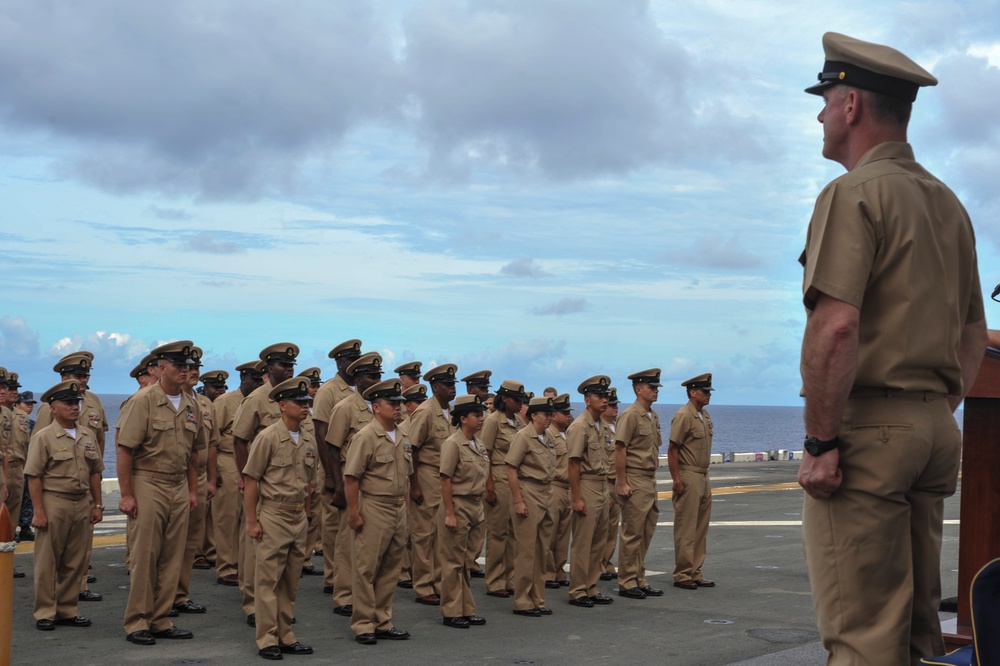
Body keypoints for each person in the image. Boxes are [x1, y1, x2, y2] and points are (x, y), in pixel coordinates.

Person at [797, 33, 987, 665]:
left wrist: (822, 443)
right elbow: (970, 335)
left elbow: (837, 327)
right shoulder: (948, 204)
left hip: (870, 432)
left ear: (851, 105)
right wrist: (935, 408)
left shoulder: (852, 194)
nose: (819, 114)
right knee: (913, 632)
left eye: (825, 99)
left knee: (862, 637)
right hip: (933, 426)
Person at [116, 341, 203, 645]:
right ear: (161, 368)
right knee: (146, 554)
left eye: (188, 367)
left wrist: (192, 490)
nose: (185, 371)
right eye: (179, 366)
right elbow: (125, 449)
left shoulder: (192, 404)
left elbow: (192, 453)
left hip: (178, 483)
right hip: (148, 480)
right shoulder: (145, 401)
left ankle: (160, 618)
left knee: (172, 555)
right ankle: (137, 621)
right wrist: (126, 495)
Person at [242, 377, 318, 660]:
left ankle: (286, 634)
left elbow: (309, 482)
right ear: (282, 405)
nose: (305, 407)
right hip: (273, 514)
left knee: (291, 581)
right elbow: (251, 480)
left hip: (298, 516)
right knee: (268, 582)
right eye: (299, 403)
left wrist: (308, 513)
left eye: (307, 402)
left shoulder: (309, 439)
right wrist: (252, 521)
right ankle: (267, 639)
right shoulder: (268, 437)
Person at [24, 380, 104, 631]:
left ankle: (68, 609)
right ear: (53, 408)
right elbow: (34, 476)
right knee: (48, 560)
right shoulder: (44, 436)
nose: (74, 407)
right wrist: (38, 511)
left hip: (82, 502)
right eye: (68, 403)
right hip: (54, 500)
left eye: (76, 402)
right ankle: (45, 612)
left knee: (75, 560)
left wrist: (98, 505)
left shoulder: (87, 434)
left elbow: (94, 473)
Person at [232, 343, 299, 627]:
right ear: (269, 369)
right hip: (260, 481)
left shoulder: (294, 398)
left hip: (283, 481)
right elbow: (239, 439)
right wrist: (246, 476)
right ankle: (252, 605)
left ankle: (277, 607)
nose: (289, 370)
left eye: (291, 365)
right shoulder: (257, 400)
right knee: (254, 544)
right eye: (284, 365)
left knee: (280, 553)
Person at [343, 379, 412, 645]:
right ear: (376, 407)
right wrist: (354, 512)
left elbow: (407, 476)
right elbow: (352, 477)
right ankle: (363, 624)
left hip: (397, 507)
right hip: (374, 506)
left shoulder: (404, 435)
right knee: (366, 568)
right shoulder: (365, 436)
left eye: (399, 404)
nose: (398, 408)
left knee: (391, 568)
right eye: (392, 404)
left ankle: (383, 620)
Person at [324, 352, 384, 618]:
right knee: (348, 541)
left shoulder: (381, 407)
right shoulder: (346, 407)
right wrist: (337, 485)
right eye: (371, 376)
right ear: (358, 379)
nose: (375, 381)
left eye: (378, 376)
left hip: (376, 485)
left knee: (370, 544)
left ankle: (366, 595)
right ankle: (344, 595)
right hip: (352, 481)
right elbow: (332, 448)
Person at [312, 339, 363, 596]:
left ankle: (345, 574)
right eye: (351, 359)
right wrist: (330, 476)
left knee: (350, 525)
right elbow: (321, 435)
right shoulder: (329, 391)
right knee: (333, 526)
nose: (355, 363)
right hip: (334, 466)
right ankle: (333, 578)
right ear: (340, 362)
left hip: (355, 470)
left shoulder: (360, 391)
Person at [406, 363, 458, 605]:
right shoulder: (426, 411)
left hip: (445, 479)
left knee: (441, 535)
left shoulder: (451, 412)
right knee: (423, 534)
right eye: (447, 386)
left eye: (453, 385)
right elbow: (412, 450)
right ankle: (424, 585)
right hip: (426, 475)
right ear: (435, 387)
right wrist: (414, 485)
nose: (452, 389)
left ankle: (438, 582)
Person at [437, 395, 489, 629]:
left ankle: (466, 608)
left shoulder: (478, 443)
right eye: (476, 415)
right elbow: (446, 479)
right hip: (458, 504)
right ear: (462, 418)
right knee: (453, 562)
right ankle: (451, 610)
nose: (481, 418)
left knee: (468, 560)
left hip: (476, 506)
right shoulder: (453, 443)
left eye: (481, 414)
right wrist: (450, 512)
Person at [173, 351, 218, 615]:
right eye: (187, 367)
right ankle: (160, 597)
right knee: (168, 543)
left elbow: (211, 444)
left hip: (198, 477)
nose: (193, 371)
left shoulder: (204, 404)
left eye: (196, 367)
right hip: (172, 478)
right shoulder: (167, 401)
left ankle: (180, 594)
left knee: (190, 542)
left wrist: (211, 479)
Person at [213, 361, 265, 586]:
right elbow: (211, 439)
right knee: (228, 518)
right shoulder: (225, 402)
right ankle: (226, 566)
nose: (257, 384)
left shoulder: (263, 400)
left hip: (254, 462)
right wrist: (213, 471)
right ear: (244, 379)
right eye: (254, 380)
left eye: (260, 380)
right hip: (227, 460)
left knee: (250, 517)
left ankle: (245, 566)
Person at [615, 369, 664, 599]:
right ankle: (626, 581)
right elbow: (620, 448)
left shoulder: (651, 416)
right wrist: (622, 482)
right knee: (632, 533)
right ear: (638, 389)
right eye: (652, 387)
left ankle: (639, 578)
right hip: (634, 478)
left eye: (656, 388)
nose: (655, 391)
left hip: (648, 479)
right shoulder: (630, 415)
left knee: (645, 532)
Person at [506, 396, 556, 617]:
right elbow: (511, 469)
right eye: (546, 414)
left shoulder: (548, 437)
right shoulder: (523, 437)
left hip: (546, 492)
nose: (549, 419)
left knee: (542, 550)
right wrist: (518, 501)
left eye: (551, 415)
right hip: (529, 490)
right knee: (526, 551)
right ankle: (523, 600)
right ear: (534, 415)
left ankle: (538, 597)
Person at [566, 375, 613, 608]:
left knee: (598, 541)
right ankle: (577, 589)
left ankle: (592, 586)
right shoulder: (578, 427)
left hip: (602, 485)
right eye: (599, 396)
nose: (604, 400)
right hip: (586, 484)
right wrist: (576, 497)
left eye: (606, 397)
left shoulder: (602, 426)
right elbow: (573, 464)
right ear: (587, 400)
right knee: (583, 542)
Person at [481, 379, 530, 597]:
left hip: (514, 481)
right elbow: (486, 455)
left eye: (522, 400)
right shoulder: (493, 421)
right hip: (499, 479)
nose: (521, 404)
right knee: (497, 534)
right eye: (517, 400)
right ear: (505, 399)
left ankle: (507, 578)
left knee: (512, 534)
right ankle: (494, 581)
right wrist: (489, 486)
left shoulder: (519, 422)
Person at [668, 374, 715, 590]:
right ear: (693, 392)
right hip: (689, 474)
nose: (708, 395)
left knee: (700, 528)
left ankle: (696, 571)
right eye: (705, 391)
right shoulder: (683, 416)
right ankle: (683, 573)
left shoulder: (703, 416)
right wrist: (676, 479)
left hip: (703, 475)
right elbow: (673, 449)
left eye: (709, 392)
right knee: (686, 527)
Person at [295, 366, 324, 578]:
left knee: (313, 515)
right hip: (296, 469)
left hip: (314, 467)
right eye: (311, 387)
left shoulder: (315, 412)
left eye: (315, 386)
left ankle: (305, 558)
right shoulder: (298, 411)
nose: (314, 390)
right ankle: (296, 559)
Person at [544, 393, 573, 589]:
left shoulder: (568, 434)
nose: (568, 416)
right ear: (553, 416)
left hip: (568, 487)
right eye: (563, 413)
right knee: (550, 533)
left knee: (563, 535)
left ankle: (559, 571)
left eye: (568, 412)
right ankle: (547, 573)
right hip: (554, 485)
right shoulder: (548, 435)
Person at [599, 388, 620, 581]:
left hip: (617, 482)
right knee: (601, 528)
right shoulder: (599, 428)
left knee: (612, 528)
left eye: (615, 405)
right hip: (604, 482)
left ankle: (607, 561)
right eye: (611, 405)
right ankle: (598, 564)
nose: (614, 408)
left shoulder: (617, 427)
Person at [16, 389, 38, 542]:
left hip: (29, 464)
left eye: (31, 404)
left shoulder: (33, 425)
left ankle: (25, 527)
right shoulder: (10, 421)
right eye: (26, 403)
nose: (29, 407)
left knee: (28, 497)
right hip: (15, 465)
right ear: (17, 404)